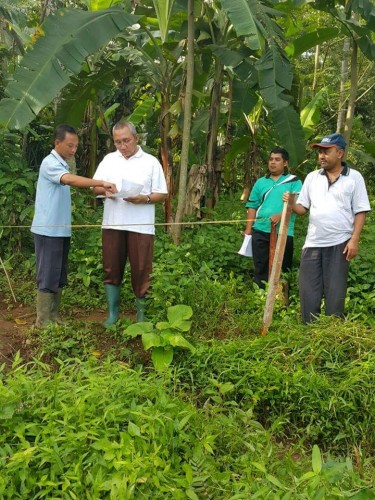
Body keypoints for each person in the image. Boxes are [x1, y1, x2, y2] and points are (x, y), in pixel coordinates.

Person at [31, 124, 117, 328]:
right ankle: (43, 321)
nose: (73, 150)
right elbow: (69, 180)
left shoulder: (61, 163)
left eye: (76, 146)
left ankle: (54, 316)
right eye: (70, 146)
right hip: (48, 230)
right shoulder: (50, 163)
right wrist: (100, 182)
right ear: (57, 143)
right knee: (48, 273)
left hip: (60, 230)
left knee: (59, 274)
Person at [285, 133, 371, 323]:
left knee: (335, 293)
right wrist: (291, 205)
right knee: (308, 291)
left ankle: (333, 333)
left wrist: (354, 239)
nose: (321, 156)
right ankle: (308, 332)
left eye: (326, 151)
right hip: (313, 243)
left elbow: (360, 211)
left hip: (340, 243)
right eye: (320, 152)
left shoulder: (354, 178)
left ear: (340, 153)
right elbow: (302, 209)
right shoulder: (312, 178)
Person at [93, 121, 168, 327]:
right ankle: (112, 313)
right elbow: (95, 187)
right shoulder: (109, 160)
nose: (122, 145)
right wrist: (105, 190)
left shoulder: (151, 162)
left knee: (142, 269)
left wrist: (144, 199)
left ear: (136, 138)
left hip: (141, 225)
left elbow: (162, 193)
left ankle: (141, 317)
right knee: (111, 267)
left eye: (126, 140)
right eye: (117, 142)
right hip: (112, 223)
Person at [243, 147, 302, 288]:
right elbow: (252, 206)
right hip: (260, 230)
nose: (273, 163)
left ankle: (281, 299)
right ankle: (260, 296)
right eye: (271, 159)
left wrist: (281, 215)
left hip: (284, 231)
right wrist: (248, 230)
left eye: (277, 160)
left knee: (283, 266)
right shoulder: (261, 182)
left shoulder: (294, 181)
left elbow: (299, 205)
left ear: (285, 163)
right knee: (260, 266)